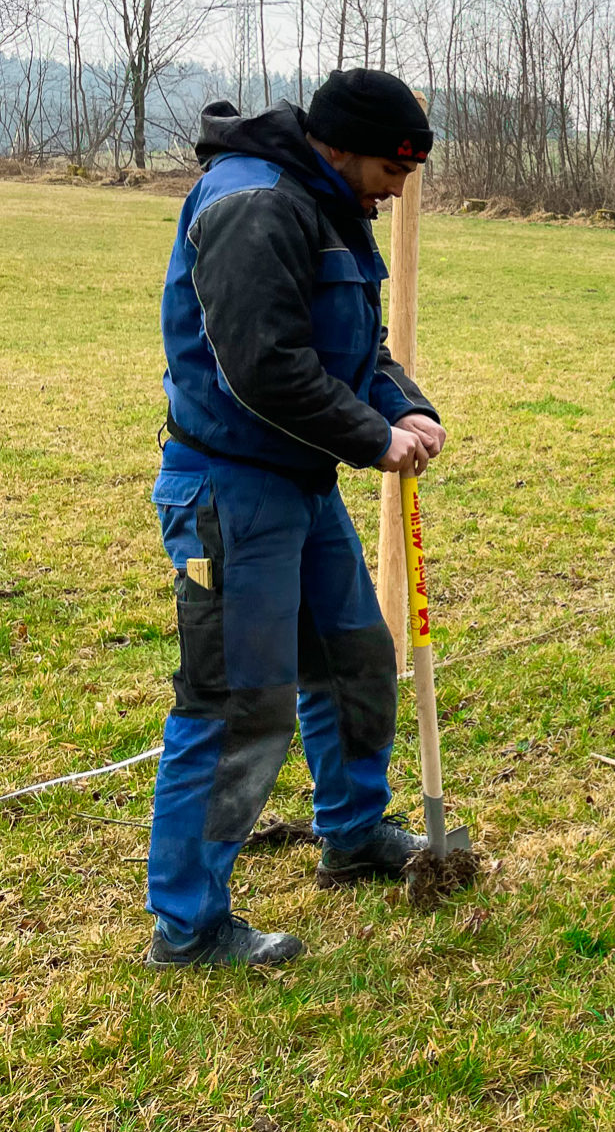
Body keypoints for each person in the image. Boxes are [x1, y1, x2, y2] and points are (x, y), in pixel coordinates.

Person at [146, 69, 446, 968]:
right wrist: (369, 435)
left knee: (356, 659)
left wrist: (405, 404)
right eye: (394, 169)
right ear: (341, 144)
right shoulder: (255, 206)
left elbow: (359, 345)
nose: (399, 190)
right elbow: (263, 368)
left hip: (303, 483)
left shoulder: (327, 202)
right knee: (239, 704)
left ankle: (353, 833)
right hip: (232, 490)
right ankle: (190, 926)